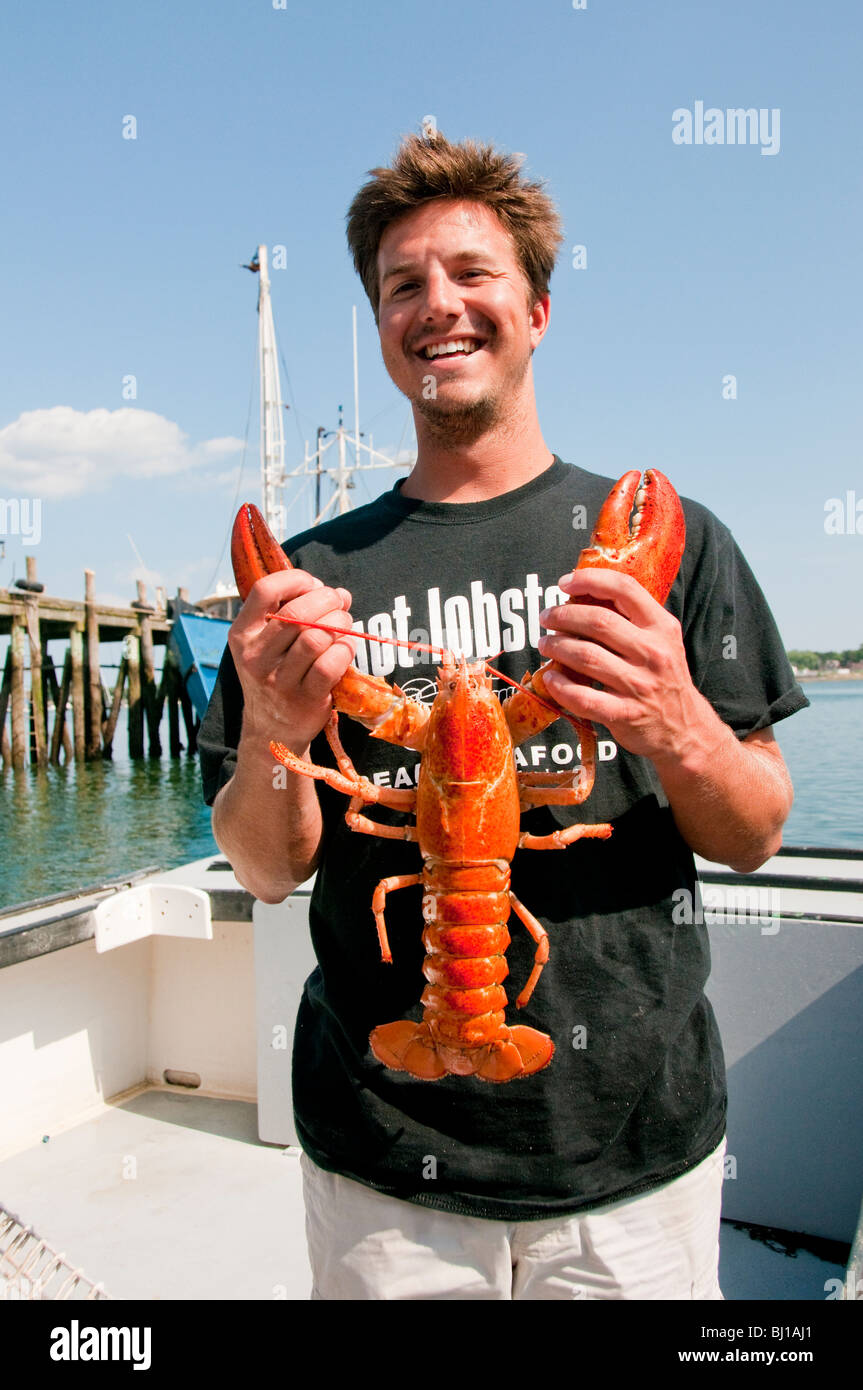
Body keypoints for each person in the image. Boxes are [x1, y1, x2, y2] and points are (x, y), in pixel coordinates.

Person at [199, 131, 807, 1300]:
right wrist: (276, 733)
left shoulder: (675, 553)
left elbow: (752, 832)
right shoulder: (311, 580)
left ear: (536, 307)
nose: (439, 306)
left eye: (473, 275)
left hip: (631, 1157)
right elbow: (268, 870)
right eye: (402, 285)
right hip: (383, 1163)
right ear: (379, 325)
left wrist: (678, 722)